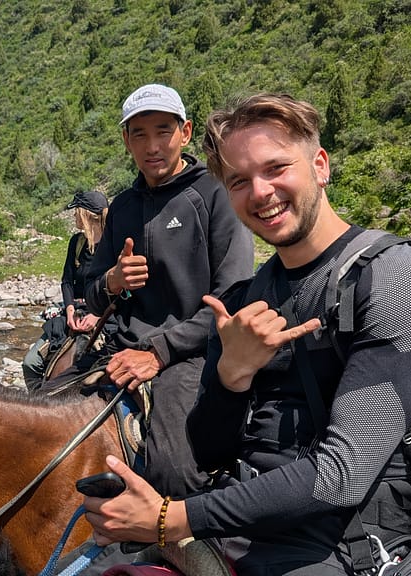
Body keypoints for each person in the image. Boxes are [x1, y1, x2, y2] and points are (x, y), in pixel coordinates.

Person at [81, 93, 411, 575]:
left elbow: (342, 473)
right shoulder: (244, 299)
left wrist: (175, 517)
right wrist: (231, 375)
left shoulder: (400, 279)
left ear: (320, 165)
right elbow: (210, 452)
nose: (260, 192)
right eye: (239, 180)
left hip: (346, 538)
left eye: (276, 168)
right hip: (246, 514)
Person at [46, 83, 255, 499]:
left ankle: (193, 544)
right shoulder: (122, 208)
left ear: (186, 132)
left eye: (163, 130)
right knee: (37, 408)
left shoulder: (214, 194)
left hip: (191, 353)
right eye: (139, 134)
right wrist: (112, 281)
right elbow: (90, 294)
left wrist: (160, 351)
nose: (152, 145)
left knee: (176, 470)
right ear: (126, 140)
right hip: (122, 345)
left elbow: (232, 297)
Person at [22, 190, 110, 390]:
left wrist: (97, 316)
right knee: (31, 363)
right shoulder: (76, 243)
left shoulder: (113, 245)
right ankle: (36, 404)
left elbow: (122, 290)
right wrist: (69, 309)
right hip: (74, 313)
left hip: (106, 316)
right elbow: (67, 281)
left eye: (76, 212)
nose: (73, 216)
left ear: (86, 215)